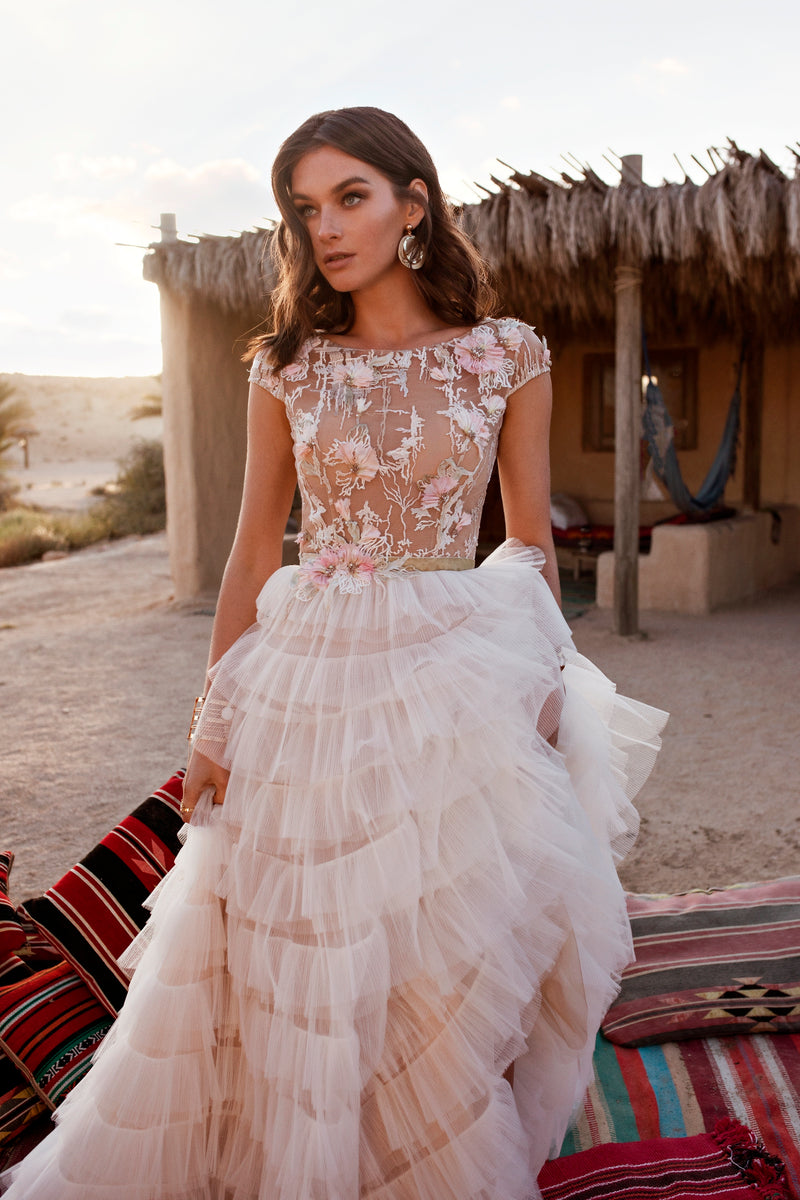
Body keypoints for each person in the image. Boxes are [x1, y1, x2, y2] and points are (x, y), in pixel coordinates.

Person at [2, 106, 667, 1200]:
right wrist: (210, 723)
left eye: (348, 197)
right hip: (307, 672)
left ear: (413, 203)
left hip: (454, 669)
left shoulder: (505, 355)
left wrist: (542, 684)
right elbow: (253, 547)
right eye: (304, 209)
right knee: (299, 945)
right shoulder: (290, 367)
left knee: (432, 951)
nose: (324, 227)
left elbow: (527, 540)